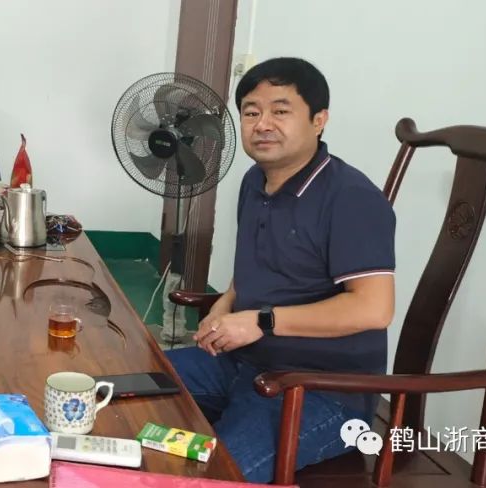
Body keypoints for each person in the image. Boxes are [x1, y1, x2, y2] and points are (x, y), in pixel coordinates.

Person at [164, 57, 396, 483]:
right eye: (251, 112)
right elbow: (260, 265)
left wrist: (261, 321)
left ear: (319, 120)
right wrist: (225, 305)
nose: (263, 124)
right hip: (242, 364)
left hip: (321, 392)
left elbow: (373, 309)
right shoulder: (255, 181)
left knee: (214, 477)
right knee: (123, 392)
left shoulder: (351, 197)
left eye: (281, 111)